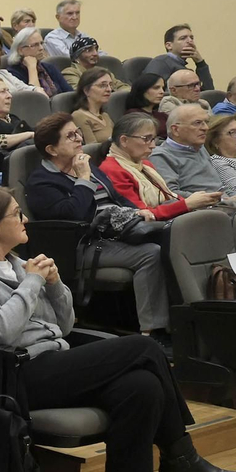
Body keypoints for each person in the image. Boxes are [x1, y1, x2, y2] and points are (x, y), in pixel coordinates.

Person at [0, 188, 229, 472]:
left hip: (55, 360)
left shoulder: (20, 264)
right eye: (17, 214)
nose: (25, 219)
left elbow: (63, 326)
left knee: (142, 387)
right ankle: (180, 455)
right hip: (15, 375)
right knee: (144, 347)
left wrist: (54, 285)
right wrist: (32, 282)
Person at [25, 114, 171, 338]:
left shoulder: (86, 163)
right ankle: (152, 331)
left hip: (115, 231)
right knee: (150, 254)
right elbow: (75, 216)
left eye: (78, 132)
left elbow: (115, 197)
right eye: (70, 136)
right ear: (52, 150)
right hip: (83, 243)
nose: (78, 138)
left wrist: (137, 211)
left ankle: (181, 319)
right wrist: (83, 179)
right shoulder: (41, 182)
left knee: (171, 236)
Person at [101, 112, 225, 221]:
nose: (153, 146)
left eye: (154, 139)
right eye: (147, 139)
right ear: (124, 140)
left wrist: (198, 201)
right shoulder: (112, 170)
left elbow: (168, 197)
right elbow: (140, 214)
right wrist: (187, 204)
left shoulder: (145, 165)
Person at [152, 103, 236, 199]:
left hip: (224, 204)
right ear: (176, 130)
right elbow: (171, 194)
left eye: (206, 122)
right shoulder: (160, 156)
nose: (205, 128)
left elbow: (219, 186)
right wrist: (220, 199)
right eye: (197, 123)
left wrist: (235, 196)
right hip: (201, 209)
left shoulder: (200, 147)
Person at [6, 27, 68, 96]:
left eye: (41, 43)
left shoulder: (49, 68)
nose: (41, 48)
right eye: (35, 45)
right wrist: (32, 68)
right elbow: (36, 99)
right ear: (20, 50)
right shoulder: (13, 73)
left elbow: (69, 94)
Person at [147, 24, 213, 88]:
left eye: (191, 38)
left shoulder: (183, 68)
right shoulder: (161, 62)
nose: (190, 41)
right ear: (169, 45)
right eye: (183, 38)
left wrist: (200, 63)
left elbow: (208, 92)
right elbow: (151, 92)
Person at [72, 68, 117, 143]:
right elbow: (92, 150)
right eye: (103, 85)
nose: (109, 89)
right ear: (86, 90)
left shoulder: (105, 116)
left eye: (110, 85)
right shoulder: (79, 116)